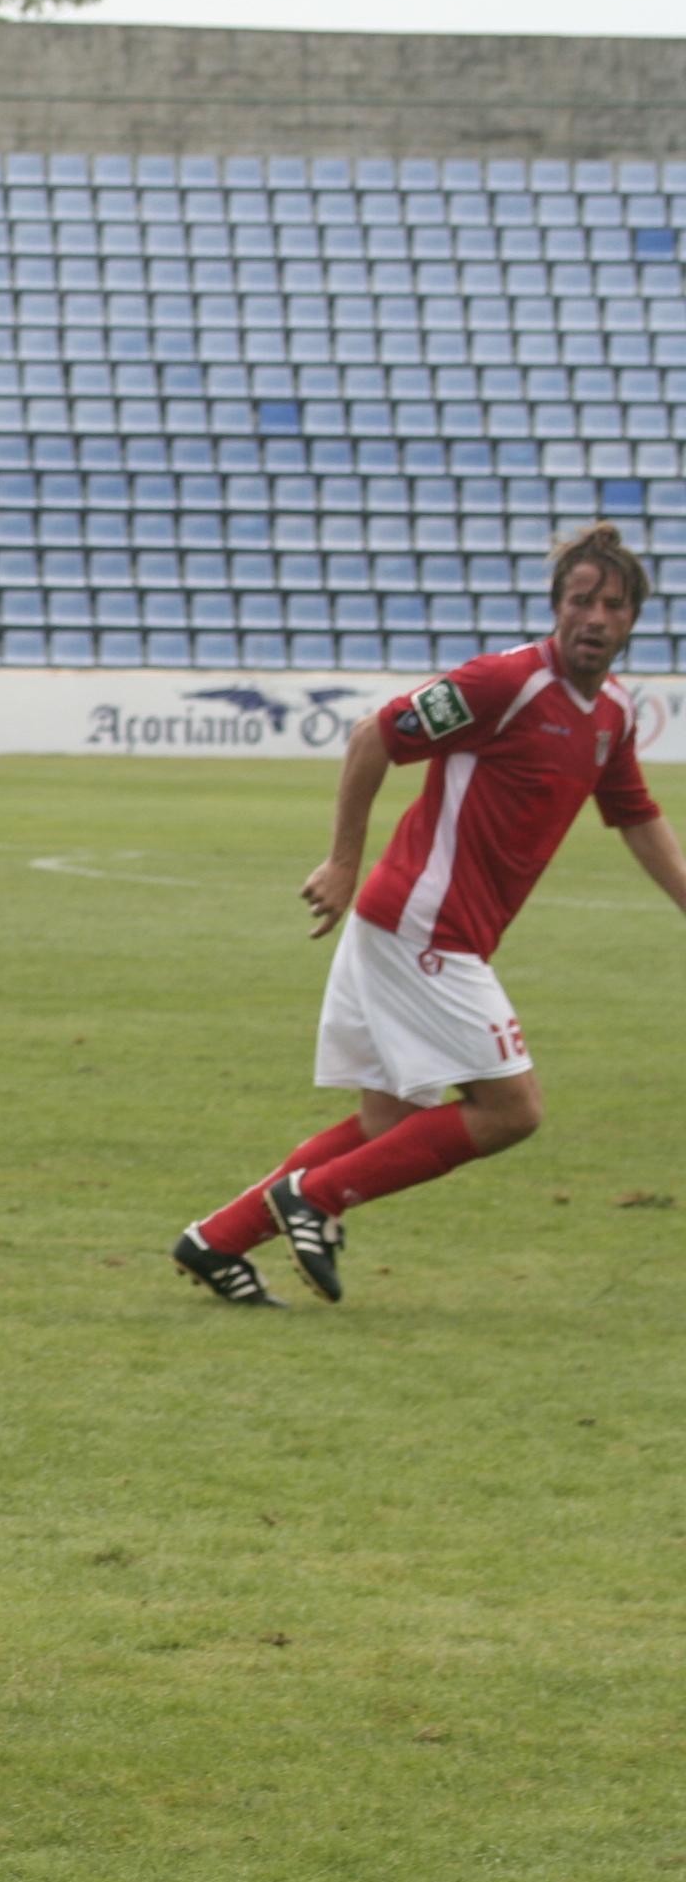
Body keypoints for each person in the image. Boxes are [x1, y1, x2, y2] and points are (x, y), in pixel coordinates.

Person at [174, 524, 686, 1305]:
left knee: (389, 1122)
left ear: (632, 621)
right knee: (512, 1110)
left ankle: (218, 1240)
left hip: (427, 931)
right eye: (581, 600)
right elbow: (372, 733)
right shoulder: (504, 682)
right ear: (556, 608)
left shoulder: (610, 713)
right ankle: (316, 1197)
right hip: (423, 928)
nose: (595, 616)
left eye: (612, 605)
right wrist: (343, 860)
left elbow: (636, 816)